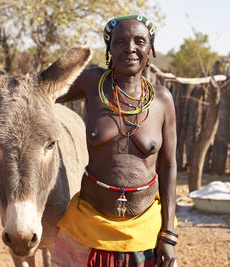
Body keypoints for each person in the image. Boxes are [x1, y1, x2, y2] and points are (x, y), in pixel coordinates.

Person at [52, 14, 177, 267]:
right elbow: (45, 88)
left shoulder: (162, 100)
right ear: (109, 50)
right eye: (120, 42)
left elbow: (168, 165)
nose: (130, 48)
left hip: (145, 231)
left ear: (150, 49)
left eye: (139, 41)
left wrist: (168, 234)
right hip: (88, 227)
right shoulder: (92, 82)